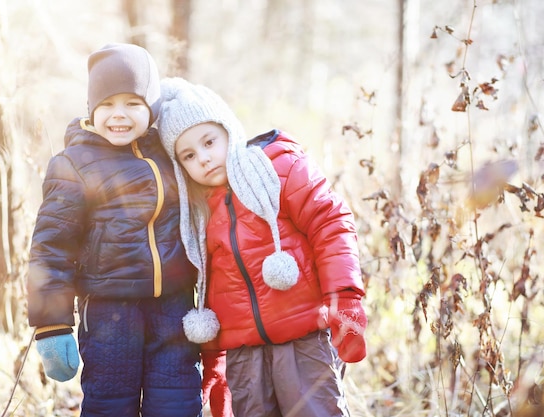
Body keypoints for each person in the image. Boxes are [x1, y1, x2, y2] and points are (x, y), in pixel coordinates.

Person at [157, 77, 368, 417]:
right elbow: (212, 288)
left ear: (229, 131)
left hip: (304, 339)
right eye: (189, 155)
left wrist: (344, 295)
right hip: (245, 353)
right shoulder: (197, 213)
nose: (205, 159)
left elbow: (330, 223)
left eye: (210, 141)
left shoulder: (279, 168)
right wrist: (213, 360)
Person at [26, 44, 204, 417]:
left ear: (152, 108)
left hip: (174, 309)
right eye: (106, 104)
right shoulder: (74, 163)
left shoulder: (169, 152)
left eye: (133, 104)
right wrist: (52, 325)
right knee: (111, 403)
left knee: (177, 403)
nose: (118, 115)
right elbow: (51, 248)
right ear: (92, 109)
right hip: (108, 313)